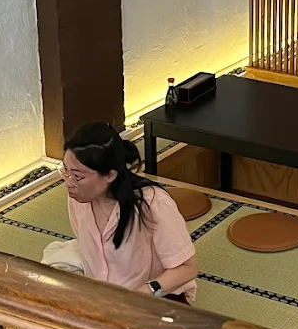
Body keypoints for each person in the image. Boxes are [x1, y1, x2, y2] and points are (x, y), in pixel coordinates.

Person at [53, 122, 198, 301]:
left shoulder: (153, 203)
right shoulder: (78, 198)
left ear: (110, 175)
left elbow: (187, 269)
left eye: (78, 176)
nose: (68, 182)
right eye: (65, 171)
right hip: (104, 297)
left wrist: (142, 294)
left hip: (154, 298)